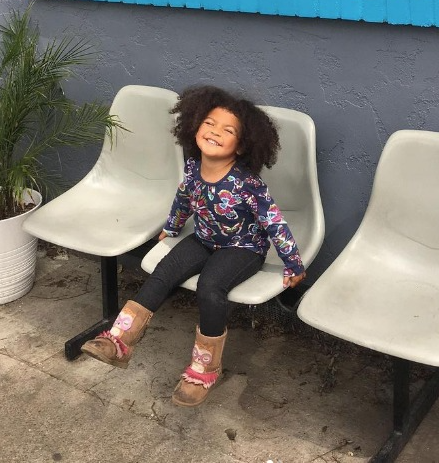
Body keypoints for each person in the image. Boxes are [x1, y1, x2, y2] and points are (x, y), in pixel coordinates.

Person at [80, 85, 306, 407]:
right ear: (195, 125)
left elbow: (273, 222)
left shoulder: (247, 184)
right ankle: (119, 340)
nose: (215, 132)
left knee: (210, 287)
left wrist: (293, 263)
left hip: (242, 249)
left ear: (241, 146)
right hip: (202, 239)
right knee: (163, 272)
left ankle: (205, 367)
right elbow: (183, 200)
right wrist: (171, 228)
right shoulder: (192, 169)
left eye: (227, 131)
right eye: (209, 124)